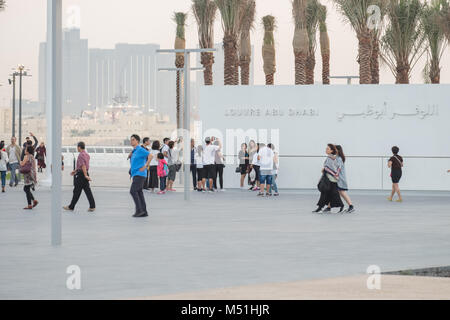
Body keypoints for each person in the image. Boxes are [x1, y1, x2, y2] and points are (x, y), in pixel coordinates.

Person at [63, 142, 96, 213]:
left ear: (79, 147)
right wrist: (75, 171)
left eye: (77, 147)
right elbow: (83, 166)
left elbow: (83, 165)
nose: (77, 148)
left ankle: (71, 207)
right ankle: (92, 206)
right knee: (87, 191)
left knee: (76, 191)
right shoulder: (87, 155)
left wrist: (85, 175)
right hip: (84, 173)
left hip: (81, 175)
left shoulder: (81, 155)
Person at [313, 144, 344, 213]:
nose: (326, 150)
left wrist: (329, 172)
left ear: (331, 150)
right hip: (332, 178)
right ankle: (340, 206)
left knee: (327, 193)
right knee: (332, 193)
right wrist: (336, 174)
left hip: (330, 178)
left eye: (327, 149)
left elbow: (328, 168)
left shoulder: (330, 158)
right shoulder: (333, 157)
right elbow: (338, 167)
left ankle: (320, 207)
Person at [129, 134, 152, 217]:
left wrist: (146, 166)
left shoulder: (140, 149)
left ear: (137, 141)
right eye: (131, 139)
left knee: (133, 191)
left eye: (133, 139)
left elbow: (150, 155)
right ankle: (144, 211)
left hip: (140, 174)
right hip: (136, 174)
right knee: (139, 192)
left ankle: (139, 210)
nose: (131, 141)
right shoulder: (135, 150)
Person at [20, 145, 38, 210]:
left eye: (25, 149)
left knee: (26, 189)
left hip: (27, 175)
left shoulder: (26, 156)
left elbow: (22, 164)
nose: (24, 151)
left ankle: (30, 204)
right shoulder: (32, 157)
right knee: (26, 189)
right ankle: (33, 200)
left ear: (28, 151)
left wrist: (21, 162)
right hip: (32, 174)